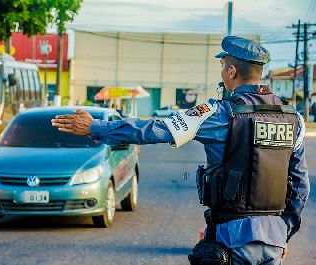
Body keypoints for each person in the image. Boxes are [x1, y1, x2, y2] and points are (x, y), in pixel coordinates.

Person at [51, 36, 309, 264]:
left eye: (222, 67)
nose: (221, 73)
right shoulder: (293, 117)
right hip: (274, 242)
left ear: (231, 71)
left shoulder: (219, 114)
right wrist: (282, 234)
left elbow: (154, 129)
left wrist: (97, 128)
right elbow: (300, 187)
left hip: (231, 238)